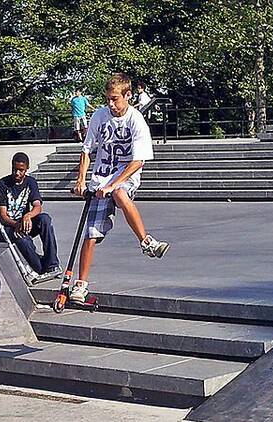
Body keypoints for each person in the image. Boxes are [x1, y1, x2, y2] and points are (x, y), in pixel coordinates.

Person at [70, 73, 170, 303]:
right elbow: (86, 150)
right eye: (108, 99)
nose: (111, 104)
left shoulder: (136, 120)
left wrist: (115, 183)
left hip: (126, 176)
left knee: (119, 192)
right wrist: (80, 181)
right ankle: (81, 284)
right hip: (101, 178)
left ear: (128, 96)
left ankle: (146, 242)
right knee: (91, 234)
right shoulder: (99, 116)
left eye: (115, 99)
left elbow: (139, 161)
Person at [0, 152, 61, 279]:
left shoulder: (31, 183)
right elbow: (3, 216)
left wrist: (28, 216)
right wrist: (17, 224)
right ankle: (40, 267)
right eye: (15, 169)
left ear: (27, 169)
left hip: (24, 223)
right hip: (8, 227)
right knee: (22, 237)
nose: (17, 173)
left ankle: (52, 264)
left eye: (21, 170)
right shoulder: (1, 185)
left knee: (45, 219)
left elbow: (37, 206)